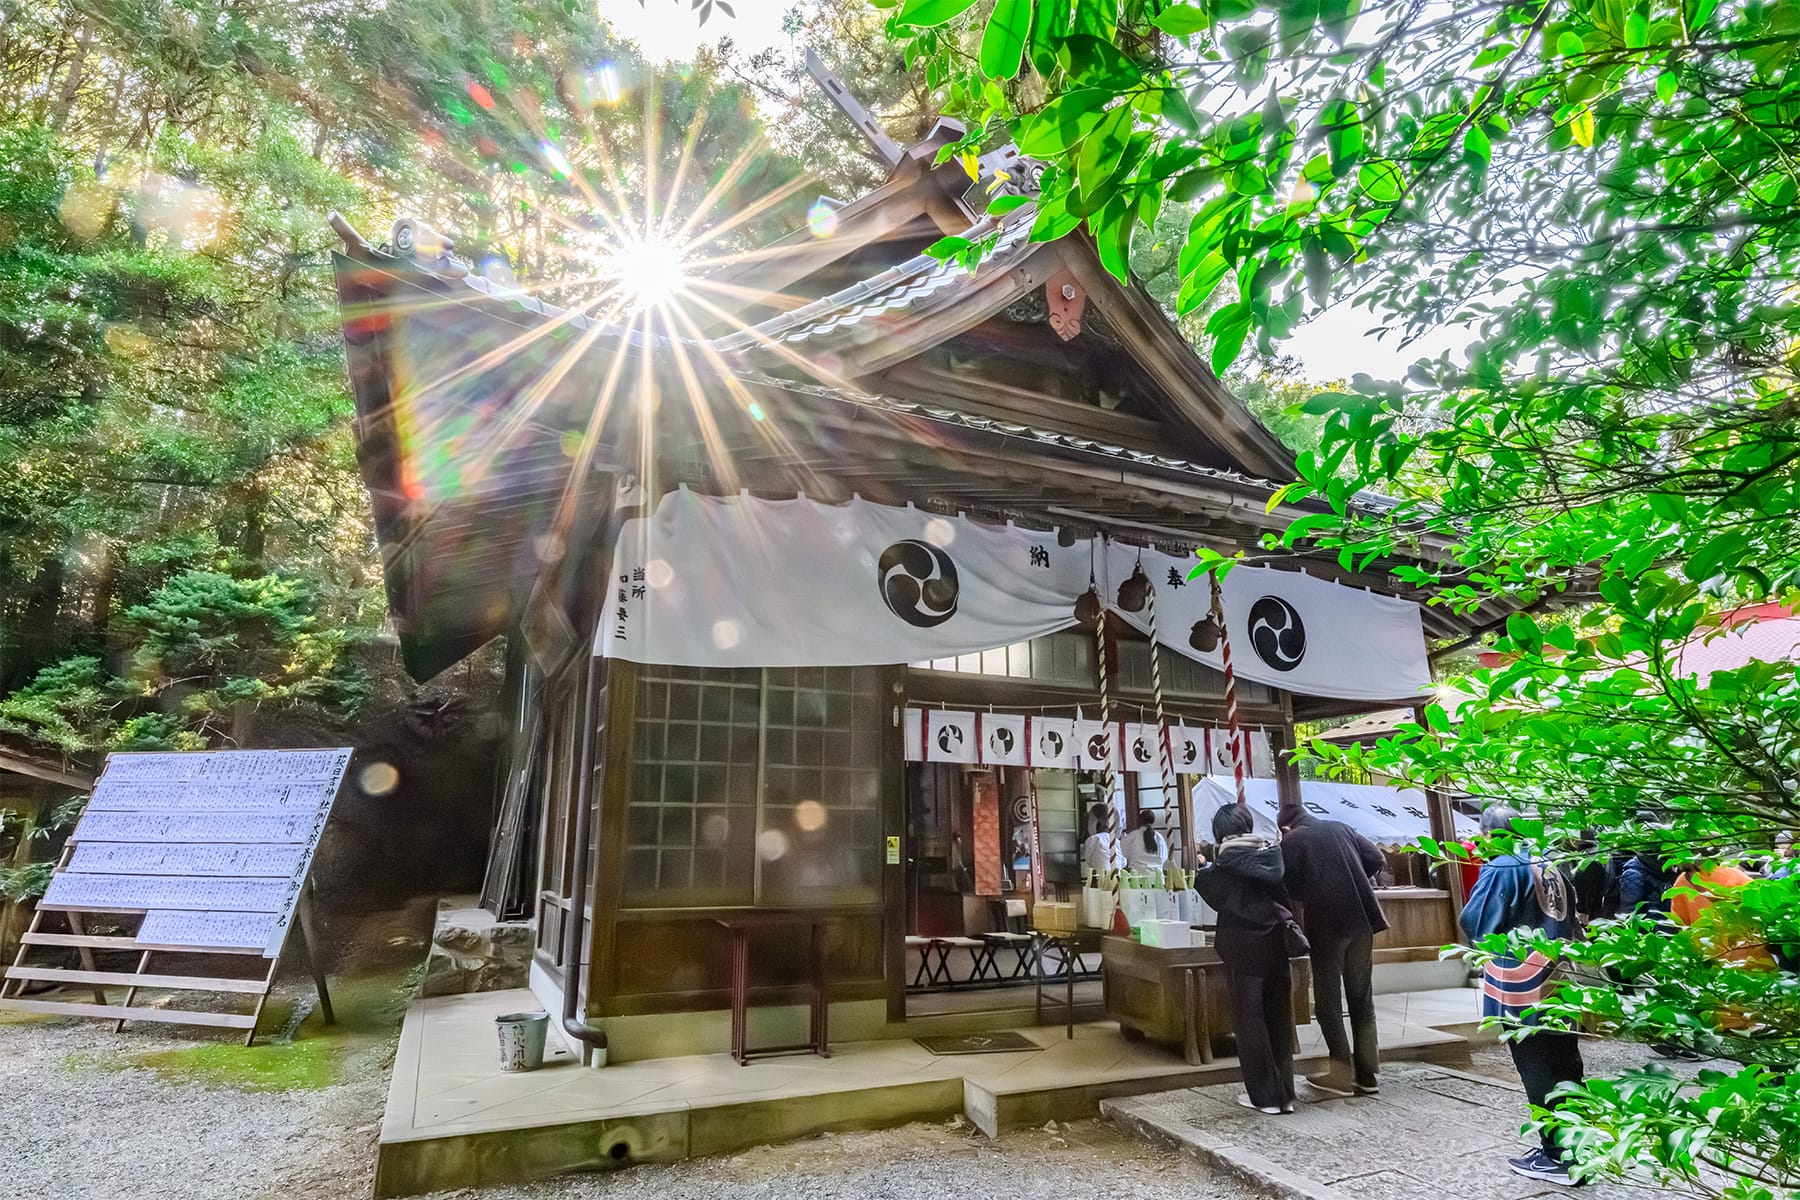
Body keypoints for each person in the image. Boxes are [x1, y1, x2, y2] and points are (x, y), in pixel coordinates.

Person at [1461, 804, 1585, 1187]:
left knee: (1535, 1063)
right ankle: (1579, 1147)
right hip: (1561, 974)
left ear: (1492, 833)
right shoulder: (1551, 861)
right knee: (1567, 1062)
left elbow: (1477, 921)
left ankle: (1558, 1155)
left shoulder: (1503, 866)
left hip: (1520, 980)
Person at [1191, 803, 1298, 1115]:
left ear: (1220, 833)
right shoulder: (1272, 855)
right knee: (1278, 1017)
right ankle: (1285, 1094)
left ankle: (1264, 1096)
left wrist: (1206, 865)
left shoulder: (1224, 865)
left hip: (1242, 949)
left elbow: (1211, 892)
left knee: (1249, 1021)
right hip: (1277, 944)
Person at [1279, 801, 1388, 1096]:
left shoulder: (1292, 839)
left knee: (1328, 1004)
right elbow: (1377, 857)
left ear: (1286, 826)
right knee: (1361, 999)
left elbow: (1288, 886)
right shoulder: (1341, 827)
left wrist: (1310, 890)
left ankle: (1340, 1074)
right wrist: (1351, 876)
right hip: (1363, 919)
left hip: (1327, 924)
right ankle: (1367, 1076)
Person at [1080, 802, 1123, 874]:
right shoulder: (1115, 841)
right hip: (1118, 875)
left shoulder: (1093, 839)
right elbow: (1123, 860)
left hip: (1101, 875)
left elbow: (1088, 859)